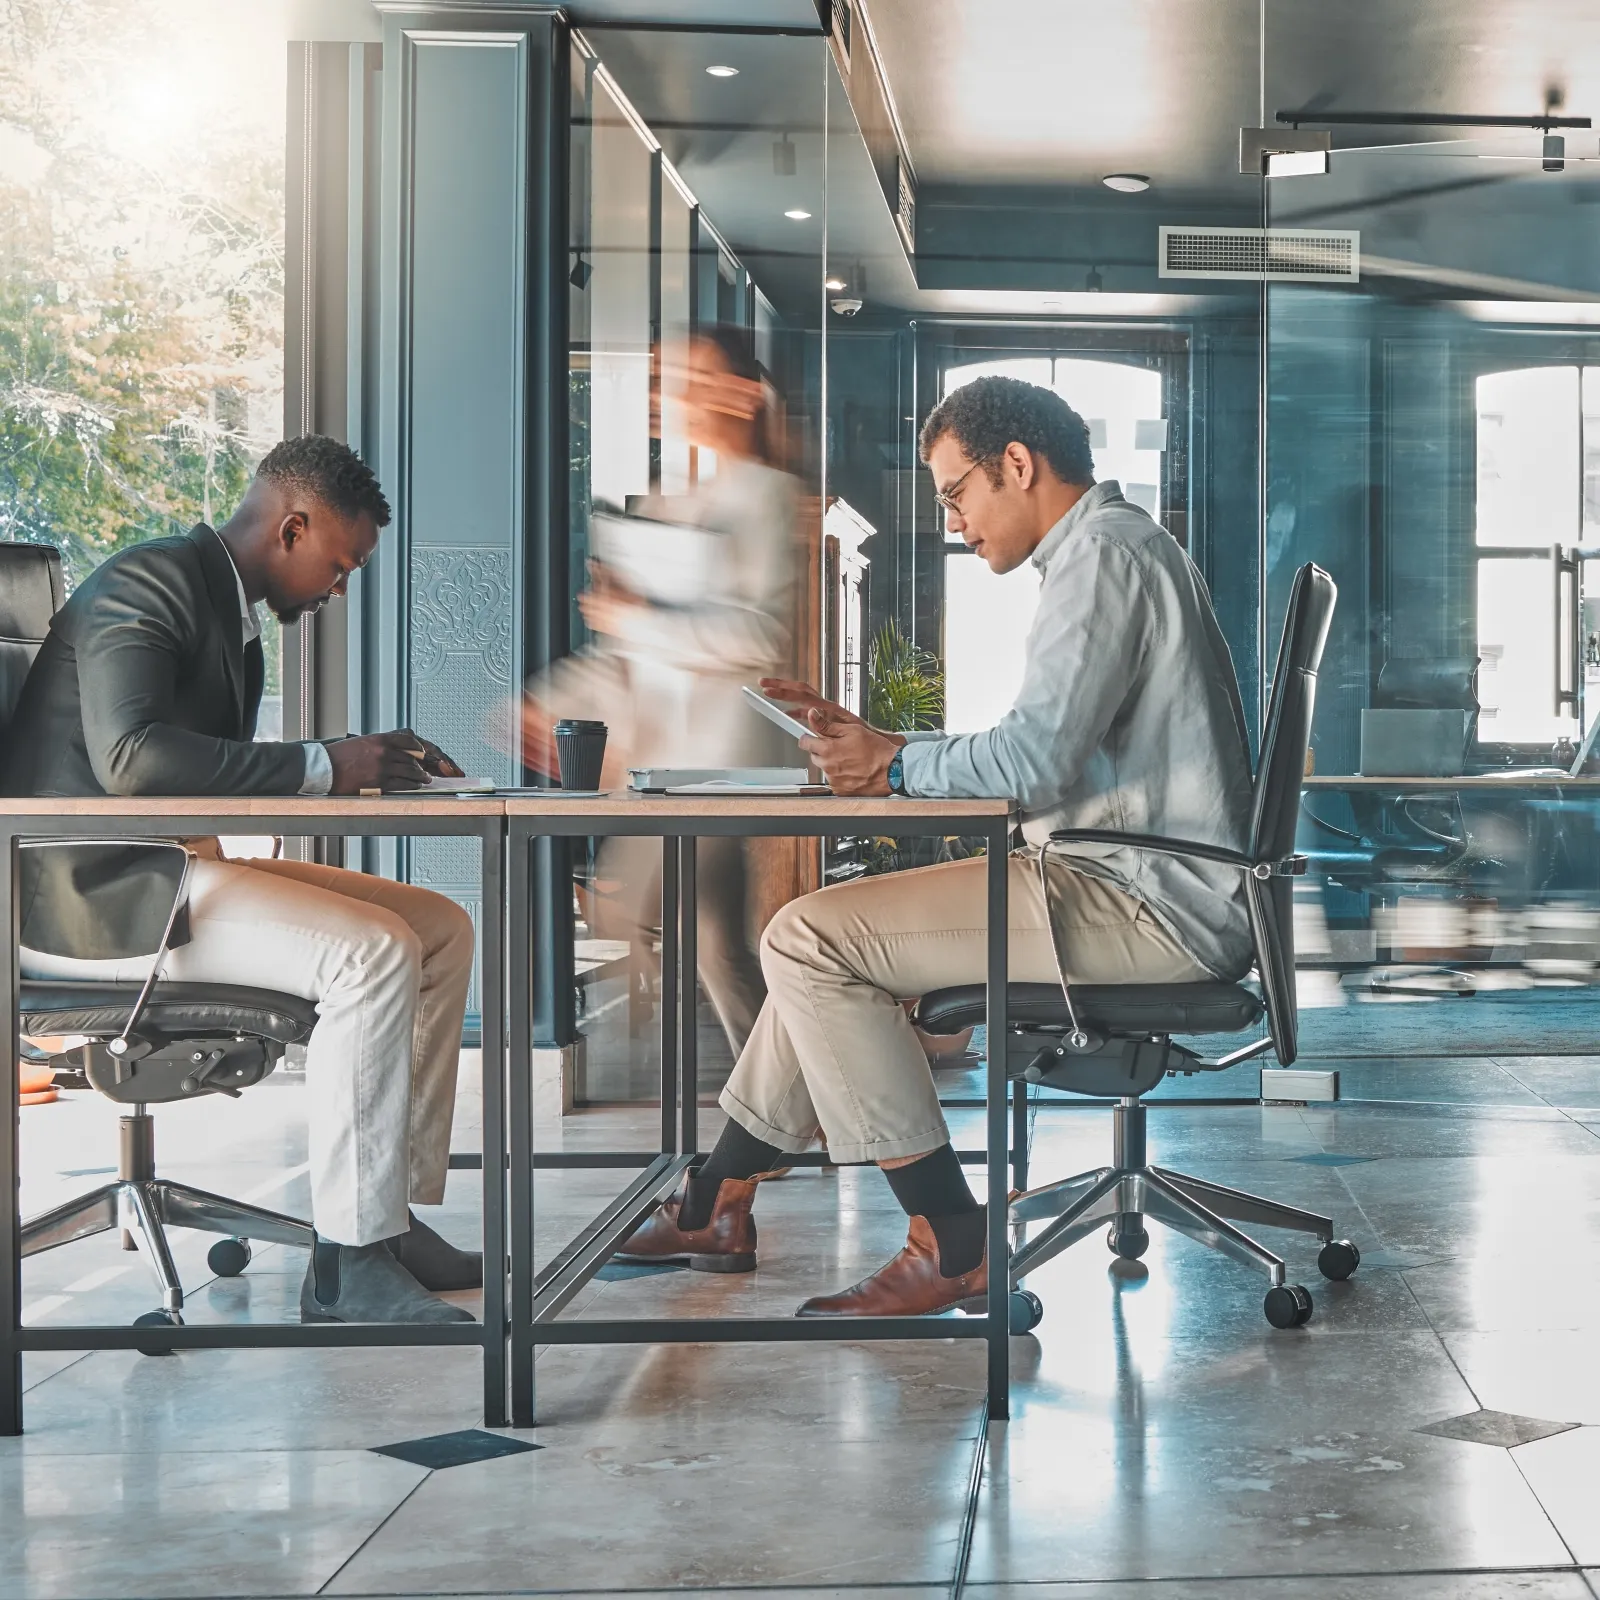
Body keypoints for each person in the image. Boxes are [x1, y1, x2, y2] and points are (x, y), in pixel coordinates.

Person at [615, 375, 1255, 1317]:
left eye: (958, 493)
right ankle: (718, 1201)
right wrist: (884, 751)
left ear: (1019, 466)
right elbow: (1050, 748)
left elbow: (1033, 760)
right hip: (1129, 877)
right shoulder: (1111, 553)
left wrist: (893, 762)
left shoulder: (1102, 562)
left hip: (1145, 902)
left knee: (809, 940)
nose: (954, 521)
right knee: (818, 939)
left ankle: (949, 1243)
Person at [3, 435, 484, 1326]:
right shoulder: (152, 583)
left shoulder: (226, 607)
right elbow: (132, 760)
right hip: (89, 899)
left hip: (164, 873)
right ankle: (347, 1265)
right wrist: (324, 766)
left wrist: (360, 760)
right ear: (292, 526)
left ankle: (385, 1217)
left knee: (439, 925)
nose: (339, 590)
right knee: (371, 953)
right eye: (339, 567)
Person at [523, 325, 797, 1058]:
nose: (666, 393)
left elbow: (760, 638)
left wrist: (642, 613)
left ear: (739, 397)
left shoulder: (766, 497)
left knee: (660, 923)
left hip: (719, 763)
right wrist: (551, 701)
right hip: (664, 761)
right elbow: (629, 649)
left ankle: (781, 1105)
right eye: (662, 377)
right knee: (713, 944)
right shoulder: (667, 507)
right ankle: (785, 1104)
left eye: (684, 377)